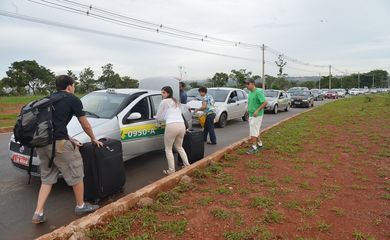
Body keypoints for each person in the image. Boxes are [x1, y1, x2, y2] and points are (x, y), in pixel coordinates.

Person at [32, 75, 103, 224]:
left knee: (47, 178)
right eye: (74, 85)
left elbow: (54, 124)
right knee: (76, 171)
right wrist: (93, 138)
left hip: (42, 144)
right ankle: (81, 205)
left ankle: (38, 213)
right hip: (58, 144)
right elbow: (85, 124)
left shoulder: (48, 99)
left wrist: (69, 137)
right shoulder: (72, 99)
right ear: (70, 86)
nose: (74, 87)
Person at [156, 86, 190, 175]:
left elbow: (159, 117)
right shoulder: (177, 102)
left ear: (168, 93)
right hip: (181, 125)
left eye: (163, 92)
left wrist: (157, 118)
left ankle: (171, 171)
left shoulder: (164, 102)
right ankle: (187, 165)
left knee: (168, 149)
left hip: (171, 126)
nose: (162, 94)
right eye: (162, 92)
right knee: (179, 147)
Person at [245, 79, 267, 154]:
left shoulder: (258, 92)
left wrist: (257, 110)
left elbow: (265, 102)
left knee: (253, 131)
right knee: (255, 130)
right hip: (251, 114)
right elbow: (250, 102)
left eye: (248, 84)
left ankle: (254, 147)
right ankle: (260, 144)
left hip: (257, 115)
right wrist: (247, 108)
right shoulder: (250, 92)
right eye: (246, 84)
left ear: (252, 84)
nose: (246, 85)